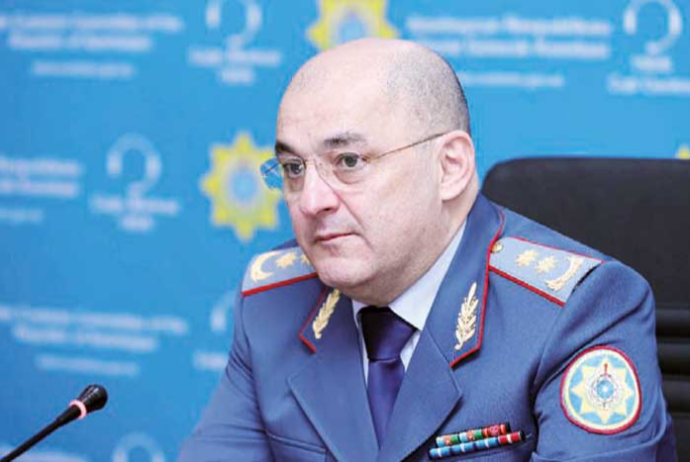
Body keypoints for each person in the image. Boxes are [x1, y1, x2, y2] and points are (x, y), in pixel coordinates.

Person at [178, 38, 676, 461]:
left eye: (348, 162)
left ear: (449, 166)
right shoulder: (273, 300)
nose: (311, 201)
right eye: (293, 169)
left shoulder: (579, 312)